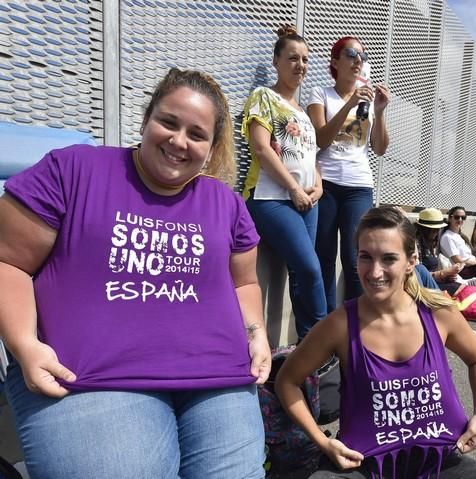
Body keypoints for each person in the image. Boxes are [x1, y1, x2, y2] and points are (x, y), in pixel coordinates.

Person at [0, 68, 270, 478]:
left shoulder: (226, 203)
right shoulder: (72, 170)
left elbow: (244, 281)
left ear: (212, 148)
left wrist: (257, 335)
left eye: (197, 134)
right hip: (91, 377)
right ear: (146, 119)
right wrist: (24, 344)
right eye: (168, 122)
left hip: (216, 374)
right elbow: (8, 261)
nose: (179, 141)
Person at [275, 206, 476, 478]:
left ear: (411, 260)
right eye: (365, 257)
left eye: (388, 259)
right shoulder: (339, 325)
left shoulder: (439, 314)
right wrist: (323, 442)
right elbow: (286, 381)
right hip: (365, 464)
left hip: (440, 459)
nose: (374, 272)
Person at [242, 25, 326, 339]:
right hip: (270, 198)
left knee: (303, 274)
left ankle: (306, 348)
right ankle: (322, 343)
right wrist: (293, 188)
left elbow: (311, 156)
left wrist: (318, 184)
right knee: (310, 269)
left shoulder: (303, 112)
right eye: (292, 58)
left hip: (309, 201)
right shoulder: (263, 96)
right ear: (276, 61)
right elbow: (261, 148)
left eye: (305, 59)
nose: (300, 65)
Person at [307, 36, 390, 313]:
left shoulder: (367, 101)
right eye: (351, 54)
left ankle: (356, 327)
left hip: (359, 186)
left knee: (357, 258)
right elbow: (320, 139)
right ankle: (328, 328)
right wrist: (349, 104)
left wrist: (379, 112)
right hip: (326, 184)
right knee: (324, 259)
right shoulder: (320, 94)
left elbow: (379, 148)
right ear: (335, 61)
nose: (358, 61)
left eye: (362, 57)